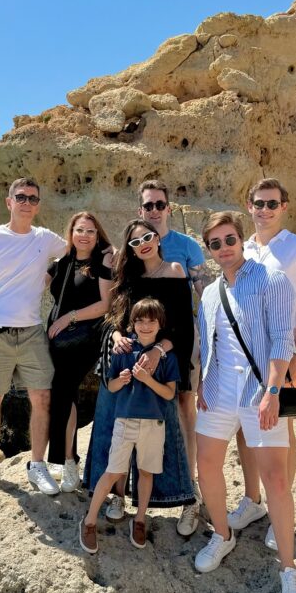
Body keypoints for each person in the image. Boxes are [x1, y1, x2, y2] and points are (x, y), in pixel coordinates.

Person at [195, 211, 296, 593]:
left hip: (258, 390)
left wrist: (273, 392)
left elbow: (282, 340)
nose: (224, 248)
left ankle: (289, 569)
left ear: (241, 240)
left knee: (274, 479)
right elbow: (208, 342)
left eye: (230, 240)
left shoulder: (271, 280)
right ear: (209, 250)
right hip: (218, 390)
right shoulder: (210, 293)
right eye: (216, 244)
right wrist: (201, 384)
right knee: (207, 465)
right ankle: (222, 535)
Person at [229, 178, 296, 550]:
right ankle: (252, 500)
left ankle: (279, 512)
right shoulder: (243, 249)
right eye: (259, 203)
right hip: (243, 355)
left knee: (281, 430)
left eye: (272, 203)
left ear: (284, 206)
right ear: (249, 206)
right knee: (245, 428)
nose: (265, 210)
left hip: (282, 354)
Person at [82, 220, 195, 522]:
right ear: (130, 250)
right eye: (135, 242)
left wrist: (158, 351)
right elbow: (114, 319)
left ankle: (172, 499)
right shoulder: (129, 277)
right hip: (124, 360)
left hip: (160, 363)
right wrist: (117, 336)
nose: (142, 244)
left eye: (147, 237)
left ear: (157, 238)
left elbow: (183, 327)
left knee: (159, 433)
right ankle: (116, 497)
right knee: (113, 427)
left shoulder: (175, 270)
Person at [0, 177, 67, 494]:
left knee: (43, 399)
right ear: (9, 202)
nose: (26, 203)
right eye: (21, 197)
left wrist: (48, 276)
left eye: (32, 198)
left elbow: (79, 250)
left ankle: (37, 465)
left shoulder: (45, 238)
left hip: (32, 331)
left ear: (38, 206)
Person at [137, 179, 210, 537]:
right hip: (144, 339)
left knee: (185, 404)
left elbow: (205, 294)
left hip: (181, 339)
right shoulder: (136, 245)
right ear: (141, 210)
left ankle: (189, 486)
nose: (154, 210)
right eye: (148, 205)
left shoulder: (186, 247)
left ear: (168, 208)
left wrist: (212, 340)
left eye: (159, 204)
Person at [80, 298, 179, 553]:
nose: (145, 326)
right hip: (124, 421)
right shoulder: (123, 351)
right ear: (132, 323)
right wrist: (122, 380)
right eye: (140, 321)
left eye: (151, 321)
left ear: (160, 324)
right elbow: (111, 386)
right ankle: (89, 521)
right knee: (113, 471)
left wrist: (147, 379)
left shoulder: (166, 356)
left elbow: (169, 394)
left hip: (154, 424)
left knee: (146, 472)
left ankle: (140, 519)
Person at [45, 212, 114, 491]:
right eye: (80, 230)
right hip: (58, 338)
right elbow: (33, 282)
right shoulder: (62, 262)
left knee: (62, 390)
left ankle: (68, 462)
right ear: (71, 233)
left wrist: (68, 318)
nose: (84, 235)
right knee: (63, 393)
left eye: (90, 231)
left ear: (98, 236)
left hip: (85, 336)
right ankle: (66, 460)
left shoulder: (102, 262)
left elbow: (106, 304)